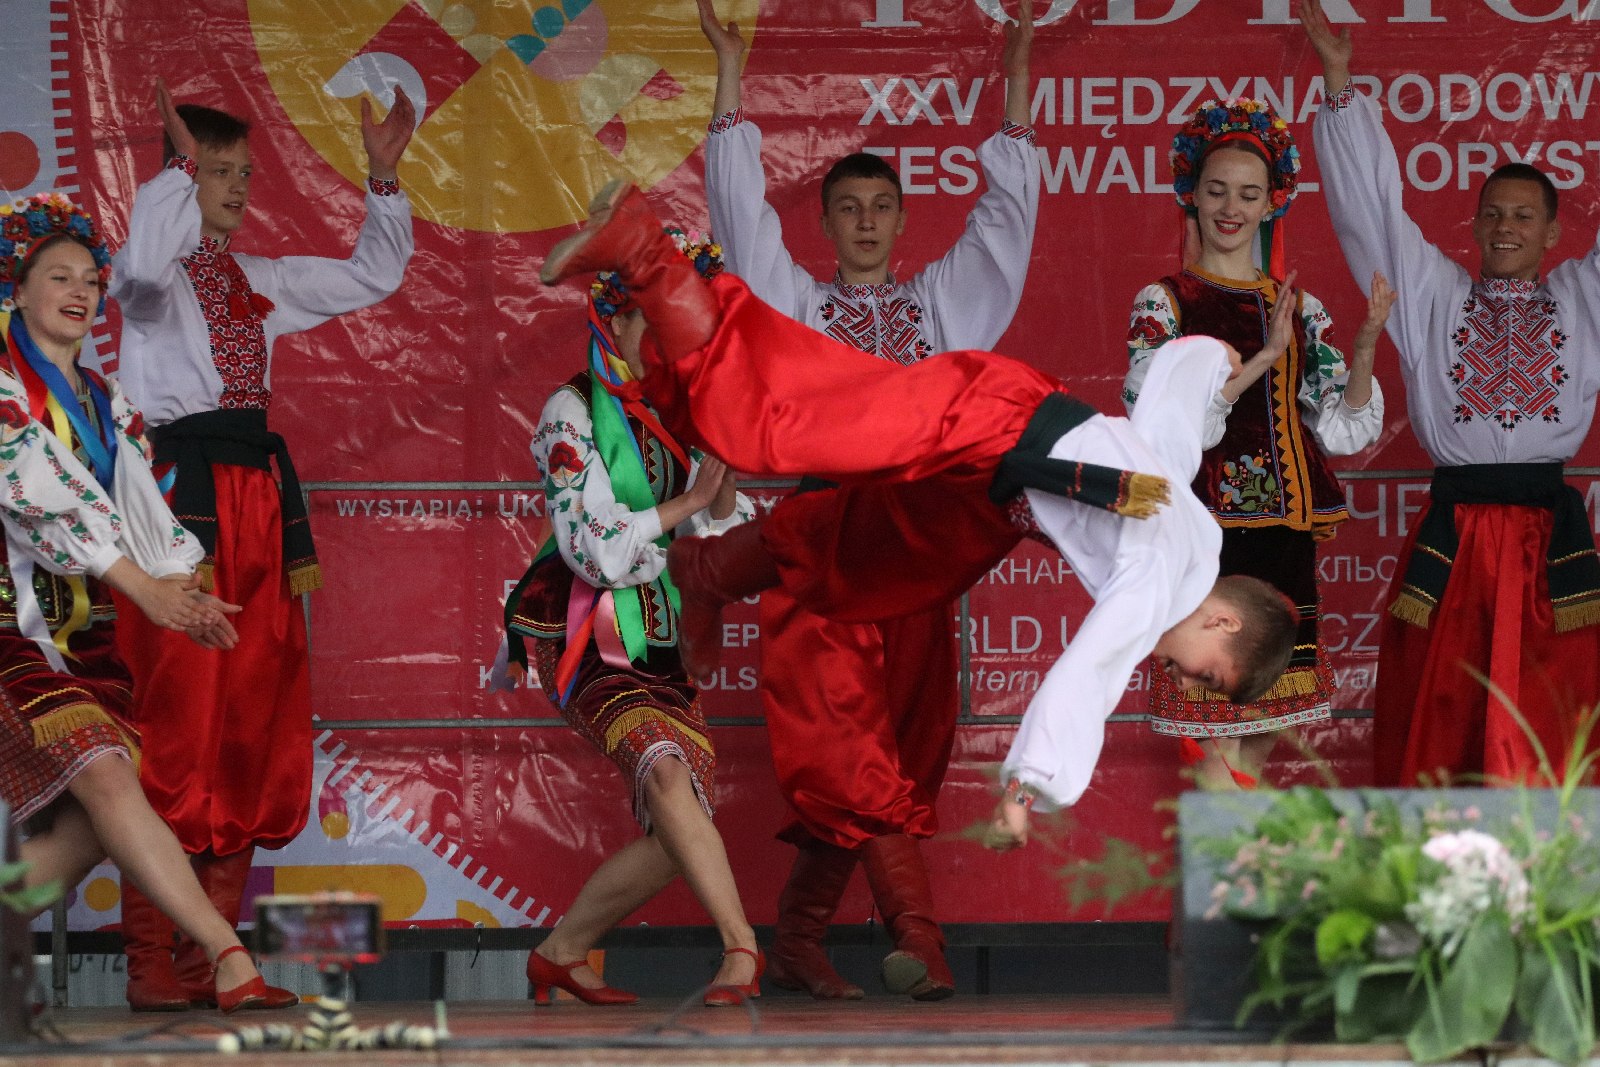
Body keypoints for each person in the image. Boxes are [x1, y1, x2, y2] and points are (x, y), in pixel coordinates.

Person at [537, 182, 1299, 854]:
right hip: (990, 424)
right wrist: (1026, 787)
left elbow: (1167, 423)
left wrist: (1207, 361)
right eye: (1202, 670)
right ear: (1226, 623)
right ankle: (644, 250)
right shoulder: (1157, 584)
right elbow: (1088, 674)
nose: (1174, 670)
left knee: (865, 557)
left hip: (989, 496)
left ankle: (705, 571)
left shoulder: (1197, 537)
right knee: (785, 425)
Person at [696, 0, 1040, 1001]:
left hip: (915, 549)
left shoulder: (939, 306)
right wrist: (729, 76)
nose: (862, 222)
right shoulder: (796, 310)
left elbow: (1005, 229)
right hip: (823, 548)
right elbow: (738, 219)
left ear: (898, 218)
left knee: (901, 749)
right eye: (845, 208)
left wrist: (1016, 80)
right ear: (826, 222)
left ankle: (799, 936)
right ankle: (919, 944)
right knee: (855, 752)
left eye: (878, 208)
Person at [107, 80, 416, 1010]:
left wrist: (385, 179)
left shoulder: (261, 279)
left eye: (244, 171)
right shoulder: (153, 288)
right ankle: (150, 957)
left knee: (250, 714)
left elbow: (373, 275)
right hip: (177, 506)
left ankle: (214, 956)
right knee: (175, 716)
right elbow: (135, 271)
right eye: (218, 172)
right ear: (181, 175)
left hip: (257, 503)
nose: (238, 186)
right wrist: (172, 178)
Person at [1301, 0, 1600, 786]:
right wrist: (1340, 86)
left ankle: (1547, 892)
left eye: (1524, 216)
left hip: (1547, 541)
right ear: (1472, 226)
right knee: (1442, 714)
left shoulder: (1581, 298)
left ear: (1553, 234)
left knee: (1550, 717)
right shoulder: (1435, 294)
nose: (1506, 227)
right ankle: (1431, 888)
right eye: (1493, 214)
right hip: (1455, 538)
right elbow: (1376, 217)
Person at [0, 192, 271, 1014]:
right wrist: (144, 587)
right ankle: (230, 955)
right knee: (112, 781)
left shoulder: (107, 403)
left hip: (79, 641)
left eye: (89, 277)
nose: (79, 291)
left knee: (94, 824)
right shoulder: (5, 392)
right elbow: (43, 498)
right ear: (17, 289)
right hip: (9, 628)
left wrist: (181, 583)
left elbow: (140, 509)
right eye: (58, 276)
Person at [502, 229, 763, 1007]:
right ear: (612, 321)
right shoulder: (569, 410)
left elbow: (723, 532)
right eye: (653, 319)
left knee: (677, 829)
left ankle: (562, 950)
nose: (668, 337)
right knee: (669, 771)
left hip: (667, 645)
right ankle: (743, 949)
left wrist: (716, 482)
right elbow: (590, 548)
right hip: (587, 637)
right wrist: (682, 506)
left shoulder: (679, 408)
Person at [1124, 97, 1389, 789]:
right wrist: (1260, 362)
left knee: (1265, 726)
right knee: (1210, 728)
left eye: (1248, 193)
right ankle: (1234, 876)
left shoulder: (1302, 308)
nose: (1231, 208)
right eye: (1216, 191)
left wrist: (1361, 352)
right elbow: (1161, 420)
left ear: (1273, 202)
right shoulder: (1168, 303)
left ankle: (1246, 872)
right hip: (1207, 537)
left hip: (1285, 539)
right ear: (1191, 195)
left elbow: (1341, 427)